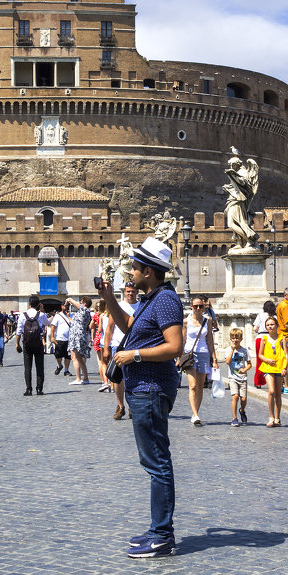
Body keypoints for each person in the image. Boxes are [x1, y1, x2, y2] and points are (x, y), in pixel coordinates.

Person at [97, 237, 184, 558]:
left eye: (135, 267)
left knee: (157, 463)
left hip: (151, 389)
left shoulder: (165, 301)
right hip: (143, 389)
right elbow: (131, 326)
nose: (131, 271)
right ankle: (157, 529)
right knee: (153, 462)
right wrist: (109, 300)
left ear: (148, 271)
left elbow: (175, 347)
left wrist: (133, 356)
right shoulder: (152, 298)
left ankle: (162, 535)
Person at [182, 296, 218, 426]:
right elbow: (183, 339)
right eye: (196, 306)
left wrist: (214, 359)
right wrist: (179, 356)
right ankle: (195, 414)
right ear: (191, 307)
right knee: (192, 385)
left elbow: (209, 340)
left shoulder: (207, 321)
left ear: (204, 307)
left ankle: (195, 412)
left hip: (203, 353)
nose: (198, 308)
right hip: (190, 354)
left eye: (200, 306)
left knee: (200, 386)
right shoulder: (186, 321)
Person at [106, 282, 138, 419]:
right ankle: (120, 406)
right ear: (125, 292)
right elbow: (109, 329)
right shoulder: (118, 307)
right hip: (118, 346)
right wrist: (106, 348)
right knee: (117, 378)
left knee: (133, 377)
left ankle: (132, 406)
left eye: (133, 291)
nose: (130, 293)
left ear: (137, 292)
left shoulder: (141, 306)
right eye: (128, 291)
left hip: (135, 346)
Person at [15, 295, 49, 395]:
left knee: (27, 367)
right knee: (39, 366)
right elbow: (47, 323)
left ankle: (28, 389)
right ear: (38, 304)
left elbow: (19, 331)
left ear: (29, 304)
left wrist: (17, 344)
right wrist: (42, 311)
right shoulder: (41, 315)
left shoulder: (23, 315)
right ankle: (39, 389)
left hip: (27, 344)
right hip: (38, 343)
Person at [258, 315, 287, 427]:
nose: (270, 327)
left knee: (278, 393)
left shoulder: (281, 338)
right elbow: (260, 354)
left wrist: (284, 367)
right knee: (271, 391)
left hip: (279, 367)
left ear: (276, 326)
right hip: (268, 367)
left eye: (272, 324)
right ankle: (271, 416)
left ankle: (277, 417)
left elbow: (285, 354)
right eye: (268, 325)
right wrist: (267, 360)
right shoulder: (264, 339)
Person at [225, 327, 252, 426]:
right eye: (233, 338)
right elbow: (227, 362)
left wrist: (244, 370)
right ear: (230, 339)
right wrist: (232, 350)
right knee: (235, 396)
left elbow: (249, 363)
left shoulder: (244, 351)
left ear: (241, 339)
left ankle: (242, 410)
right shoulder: (228, 349)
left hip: (243, 378)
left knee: (243, 399)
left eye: (237, 338)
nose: (235, 340)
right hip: (232, 377)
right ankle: (234, 418)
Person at [66, 296, 93, 385]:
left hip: (77, 336)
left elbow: (75, 303)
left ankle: (78, 378)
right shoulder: (85, 312)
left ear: (84, 303)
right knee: (79, 358)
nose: (80, 303)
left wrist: (69, 300)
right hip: (79, 335)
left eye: (81, 302)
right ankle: (84, 378)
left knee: (75, 357)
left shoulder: (84, 310)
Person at [50, 303, 72, 376]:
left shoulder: (70, 316)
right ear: (62, 306)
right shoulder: (58, 316)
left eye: (68, 306)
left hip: (69, 339)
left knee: (68, 356)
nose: (66, 307)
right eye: (65, 306)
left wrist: (69, 317)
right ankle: (59, 365)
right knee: (58, 355)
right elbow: (53, 327)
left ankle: (66, 370)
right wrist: (52, 337)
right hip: (59, 339)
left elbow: (73, 325)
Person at [92, 300, 110, 391]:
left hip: (102, 340)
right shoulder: (112, 315)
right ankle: (113, 385)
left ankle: (104, 381)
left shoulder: (100, 316)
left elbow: (98, 329)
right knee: (111, 362)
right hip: (112, 341)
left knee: (102, 362)